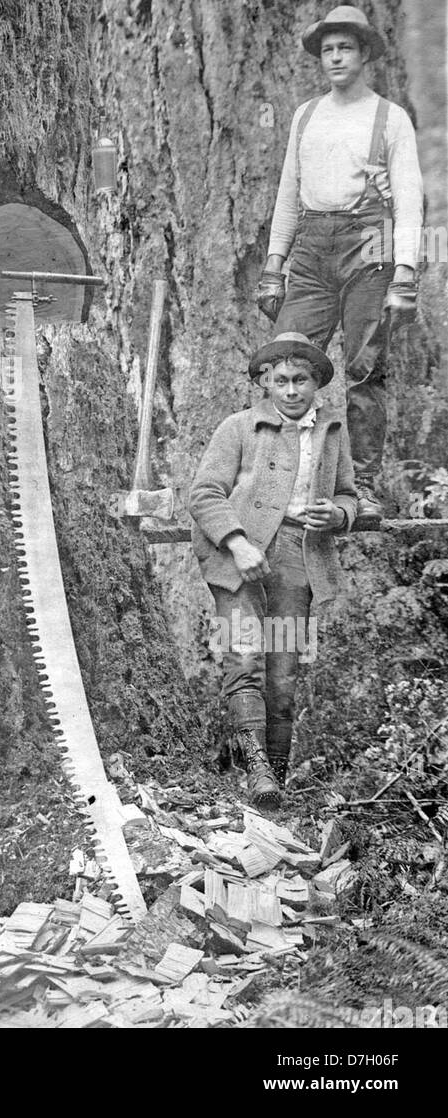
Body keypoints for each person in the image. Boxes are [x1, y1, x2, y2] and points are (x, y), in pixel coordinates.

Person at [255, 5, 424, 519]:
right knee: (285, 358)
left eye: (344, 48)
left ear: (364, 54)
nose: (335, 58)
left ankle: (364, 489)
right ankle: (273, 481)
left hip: (369, 246)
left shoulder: (389, 117)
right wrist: (273, 265)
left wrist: (406, 273)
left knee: (364, 370)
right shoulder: (306, 115)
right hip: (309, 247)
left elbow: (410, 199)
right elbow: (288, 194)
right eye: (328, 50)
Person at [188, 333, 358, 807]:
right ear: (265, 382)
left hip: (295, 557)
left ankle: (277, 783)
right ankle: (256, 773)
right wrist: (237, 543)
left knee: (282, 671)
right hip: (239, 556)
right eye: (279, 380)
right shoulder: (240, 427)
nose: (289, 390)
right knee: (244, 658)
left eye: (299, 380)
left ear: (316, 383)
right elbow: (204, 493)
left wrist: (338, 514)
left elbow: (347, 491)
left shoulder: (331, 431)